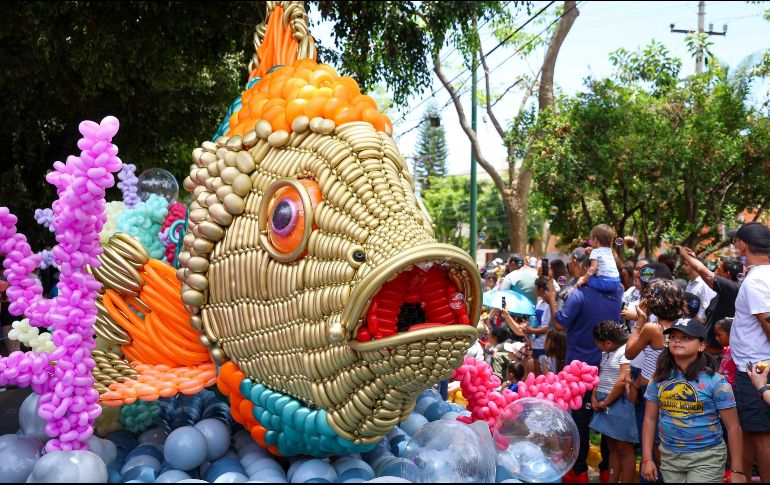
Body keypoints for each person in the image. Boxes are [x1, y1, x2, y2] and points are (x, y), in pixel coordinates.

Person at [542, 252, 623, 483]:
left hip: (579, 370)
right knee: (608, 425)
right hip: (609, 366)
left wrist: (552, 301)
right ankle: (608, 471)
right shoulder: (618, 291)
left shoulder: (578, 294)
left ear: (586, 268)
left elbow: (559, 323)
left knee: (579, 422)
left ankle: (579, 471)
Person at [641, 318, 745, 483]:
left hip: (707, 457)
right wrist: (647, 459)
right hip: (669, 456)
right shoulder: (659, 378)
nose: (678, 340)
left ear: (702, 345)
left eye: (686, 337)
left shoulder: (716, 383)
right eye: (674, 337)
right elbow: (649, 418)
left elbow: (733, 427)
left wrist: (737, 470)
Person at [625, 271, 683, 482]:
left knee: (651, 448)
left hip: (652, 393)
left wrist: (640, 321)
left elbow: (630, 352)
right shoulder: (686, 325)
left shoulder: (652, 328)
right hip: (676, 393)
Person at [727, 222, 770, 482]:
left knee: (761, 435)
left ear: (742, 245)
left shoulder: (756, 281)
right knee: (753, 431)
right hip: (758, 367)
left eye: (735, 243)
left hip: (757, 370)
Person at [590, 320, 637, 483]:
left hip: (619, 402)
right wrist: (594, 396)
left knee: (624, 447)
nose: (597, 346)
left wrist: (606, 401)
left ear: (608, 342)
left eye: (598, 343)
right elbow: (600, 375)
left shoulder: (625, 352)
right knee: (612, 447)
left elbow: (622, 381)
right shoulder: (606, 353)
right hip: (605, 400)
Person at [676, 245, 743, 360]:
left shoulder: (732, 289)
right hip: (708, 352)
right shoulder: (721, 294)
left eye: (718, 269)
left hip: (719, 356)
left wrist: (685, 255)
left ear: (727, 274)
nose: (714, 271)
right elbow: (707, 320)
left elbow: (706, 274)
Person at [576, 224, 622, 292]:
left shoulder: (595, 252)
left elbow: (593, 268)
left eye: (591, 239)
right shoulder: (609, 251)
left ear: (595, 239)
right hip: (616, 281)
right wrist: (592, 250)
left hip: (605, 283)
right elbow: (601, 256)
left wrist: (584, 279)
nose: (590, 241)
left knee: (583, 279)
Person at [680, 251, 718, 322]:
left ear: (694, 266)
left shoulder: (704, 284)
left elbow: (706, 308)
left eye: (686, 264)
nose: (683, 267)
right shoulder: (690, 282)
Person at [527, 277, 552, 374]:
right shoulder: (539, 303)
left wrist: (531, 330)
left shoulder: (549, 305)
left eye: (536, 288)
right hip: (535, 344)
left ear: (541, 289)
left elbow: (547, 328)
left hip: (544, 345)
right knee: (536, 371)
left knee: (544, 372)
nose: (535, 291)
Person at [716, 318, 737, 387]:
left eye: (719, 335)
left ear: (731, 334)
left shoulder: (737, 352)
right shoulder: (727, 350)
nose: (716, 338)